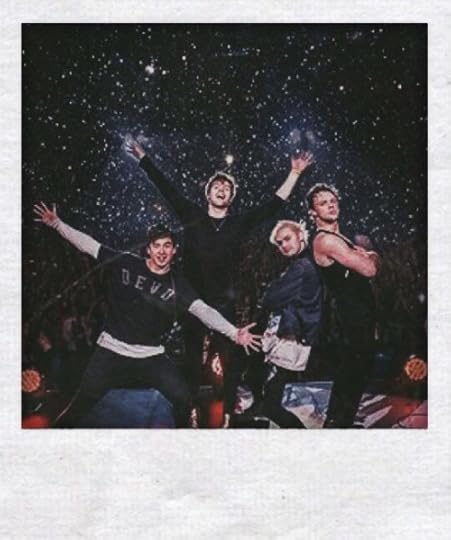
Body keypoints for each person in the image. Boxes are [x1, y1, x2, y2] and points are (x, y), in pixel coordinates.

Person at [126, 139, 314, 426]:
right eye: (217, 185)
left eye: (227, 187)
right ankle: (188, 409)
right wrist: (143, 159)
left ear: (231, 196)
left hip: (224, 302)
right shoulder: (192, 215)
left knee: (231, 358)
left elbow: (273, 205)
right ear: (208, 193)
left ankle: (227, 411)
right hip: (192, 301)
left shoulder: (238, 223)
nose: (222, 188)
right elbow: (166, 187)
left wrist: (295, 173)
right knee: (192, 360)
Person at [33, 202, 261, 428]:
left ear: (174, 251)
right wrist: (57, 224)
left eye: (167, 246)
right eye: (156, 245)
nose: (161, 251)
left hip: (150, 355)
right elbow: (89, 246)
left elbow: (204, 311)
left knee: (183, 398)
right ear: (149, 249)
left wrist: (234, 333)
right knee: (80, 405)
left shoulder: (178, 284)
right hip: (111, 349)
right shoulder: (127, 262)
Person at [306, 184, 380, 428]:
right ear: (313, 213)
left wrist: (366, 256)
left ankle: (340, 425)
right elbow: (370, 269)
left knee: (356, 375)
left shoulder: (341, 239)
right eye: (323, 203)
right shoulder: (326, 240)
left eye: (333, 200)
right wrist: (370, 255)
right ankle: (337, 428)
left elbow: (368, 264)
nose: (330, 205)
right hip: (349, 317)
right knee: (352, 375)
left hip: (359, 314)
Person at [259, 220, 322, 427]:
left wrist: (271, 289)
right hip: (293, 336)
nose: (284, 246)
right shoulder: (304, 263)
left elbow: (271, 298)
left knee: (270, 404)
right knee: (269, 400)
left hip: (291, 340)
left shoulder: (302, 266)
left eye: (287, 239)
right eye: (279, 243)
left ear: (300, 235)